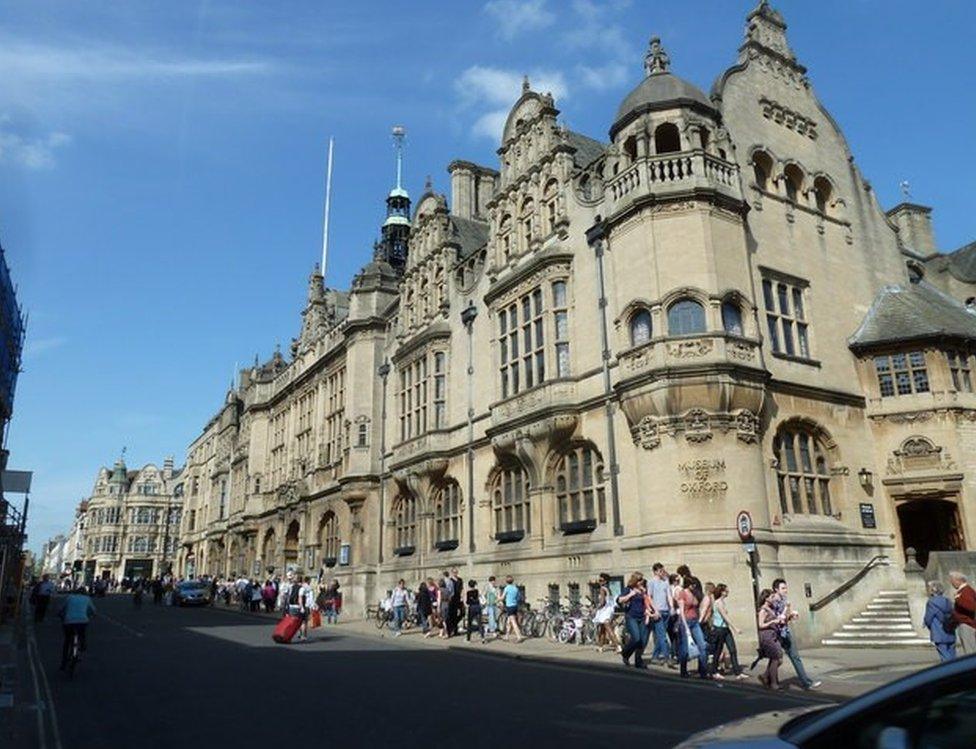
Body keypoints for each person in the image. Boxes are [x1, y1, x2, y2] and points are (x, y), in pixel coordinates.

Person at [771, 578, 821, 689]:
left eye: (786, 588)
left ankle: (806, 683)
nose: (785, 590)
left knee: (795, 656)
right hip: (776, 634)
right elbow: (774, 618)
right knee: (776, 659)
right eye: (783, 588)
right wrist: (786, 611)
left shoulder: (784, 600)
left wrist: (791, 616)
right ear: (776, 589)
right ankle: (770, 679)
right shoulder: (772, 602)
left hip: (785, 632)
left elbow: (785, 619)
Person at [709, 584, 748, 679]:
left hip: (725, 629)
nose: (728, 592)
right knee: (718, 651)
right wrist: (735, 628)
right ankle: (714, 671)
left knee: (732, 650)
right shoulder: (718, 603)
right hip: (720, 629)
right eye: (726, 591)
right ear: (722, 592)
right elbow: (725, 617)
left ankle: (737, 672)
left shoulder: (722, 602)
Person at [676, 575, 709, 679]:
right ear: (688, 584)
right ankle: (683, 670)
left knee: (703, 645)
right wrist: (686, 628)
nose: (694, 586)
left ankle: (703, 671)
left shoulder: (694, 593)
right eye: (692, 584)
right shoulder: (683, 593)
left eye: (694, 585)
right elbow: (681, 611)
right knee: (685, 648)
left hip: (695, 622)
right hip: (686, 622)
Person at [58, 586, 96, 671]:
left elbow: (61, 609)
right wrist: (91, 615)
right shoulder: (87, 598)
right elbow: (93, 610)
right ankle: (82, 644)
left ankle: (64, 662)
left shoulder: (70, 597)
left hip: (69, 621)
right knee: (82, 633)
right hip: (82, 621)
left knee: (67, 641)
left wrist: (60, 614)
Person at [618, 573, 649, 669]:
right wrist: (631, 594)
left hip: (642, 616)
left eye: (642, 580)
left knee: (642, 641)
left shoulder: (643, 590)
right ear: (635, 581)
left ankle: (638, 661)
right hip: (631, 616)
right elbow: (620, 600)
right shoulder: (628, 589)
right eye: (639, 580)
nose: (641, 582)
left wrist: (647, 614)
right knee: (636, 638)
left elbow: (647, 603)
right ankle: (625, 653)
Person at [756, 588, 784, 689]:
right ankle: (773, 683)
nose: (773, 599)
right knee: (776, 658)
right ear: (766, 598)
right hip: (767, 636)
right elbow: (760, 625)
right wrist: (772, 622)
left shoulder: (771, 608)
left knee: (778, 659)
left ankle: (765, 676)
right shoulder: (763, 610)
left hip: (774, 635)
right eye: (772, 597)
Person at [923, 580, 957, 661]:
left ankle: (949, 671)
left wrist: (926, 624)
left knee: (944, 654)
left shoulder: (931, 602)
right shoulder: (948, 601)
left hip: (939, 631)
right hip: (950, 630)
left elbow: (928, 618)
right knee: (952, 653)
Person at [648, 563, 673, 664]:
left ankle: (655, 656)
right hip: (658, 611)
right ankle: (667, 656)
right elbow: (649, 597)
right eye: (660, 571)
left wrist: (671, 607)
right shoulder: (651, 582)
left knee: (660, 636)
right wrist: (655, 610)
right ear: (655, 571)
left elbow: (669, 595)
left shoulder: (665, 582)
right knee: (663, 636)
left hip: (666, 610)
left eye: (662, 570)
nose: (662, 572)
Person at [948, 571, 976, 654]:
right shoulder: (963, 591)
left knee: (969, 650)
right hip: (964, 623)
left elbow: (971, 607)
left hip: (967, 624)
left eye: (952, 581)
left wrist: (958, 599)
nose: (952, 583)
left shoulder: (966, 591)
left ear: (958, 580)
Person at [593, 573, 620, 653]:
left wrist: (596, 609)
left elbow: (602, 602)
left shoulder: (602, 589)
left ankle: (617, 646)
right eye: (599, 580)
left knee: (608, 628)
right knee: (602, 628)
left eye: (601, 580)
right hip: (609, 609)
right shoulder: (608, 588)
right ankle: (600, 646)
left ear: (605, 581)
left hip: (604, 610)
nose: (600, 582)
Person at [501, 575, 524, 643]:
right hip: (515, 606)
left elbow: (502, 597)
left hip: (509, 606)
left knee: (513, 622)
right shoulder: (515, 588)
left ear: (506, 581)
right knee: (509, 621)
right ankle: (506, 636)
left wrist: (497, 599)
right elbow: (518, 597)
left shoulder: (507, 588)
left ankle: (519, 636)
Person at [448, 568, 463, 637]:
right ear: (452, 573)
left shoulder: (460, 580)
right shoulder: (450, 580)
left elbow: (462, 589)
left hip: (459, 599)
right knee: (452, 615)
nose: (455, 573)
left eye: (456, 572)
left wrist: (462, 597)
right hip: (452, 599)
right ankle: (453, 630)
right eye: (454, 572)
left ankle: (454, 626)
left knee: (462, 613)